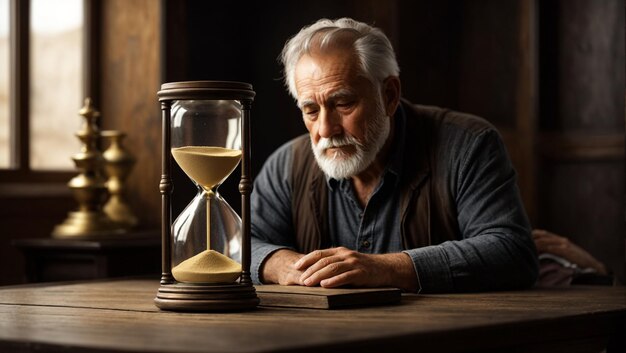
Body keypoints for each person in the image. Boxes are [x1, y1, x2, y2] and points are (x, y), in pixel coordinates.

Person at [250, 18, 538, 293]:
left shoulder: (468, 145)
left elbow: (511, 251)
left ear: (389, 95)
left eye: (344, 103)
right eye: (311, 110)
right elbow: (239, 245)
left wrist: (385, 269)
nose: (326, 129)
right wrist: (280, 264)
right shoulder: (286, 165)